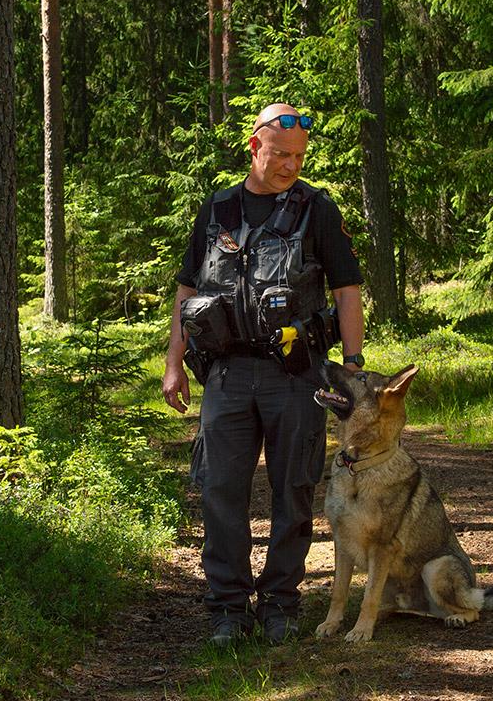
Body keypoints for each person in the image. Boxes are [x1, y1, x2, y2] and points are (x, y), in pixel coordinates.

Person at [162, 103, 367, 646]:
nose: (289, 166)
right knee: (220, 491)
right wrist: (173, 362)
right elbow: (188, 290)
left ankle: (280, 604)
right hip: (226, 374)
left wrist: (352, 366)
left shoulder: (316, 209)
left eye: (298, 157)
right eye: (279, 155)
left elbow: (347, 291)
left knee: (293, 490)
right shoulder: (218, 209)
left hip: (296, 376)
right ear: (254, 147)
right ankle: (227, 608)